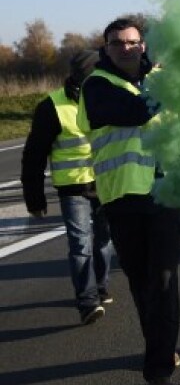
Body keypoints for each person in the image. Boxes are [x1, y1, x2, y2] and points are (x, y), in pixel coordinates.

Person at [78, 17, 180, 385]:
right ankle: (159, 345)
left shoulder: (159, 79)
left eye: (133, 42)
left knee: (165, 280)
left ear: (143, 45)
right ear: (105, 48)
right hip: (123, 198)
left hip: (166, 194)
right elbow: (136, 112)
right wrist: (170, 84)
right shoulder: (97, 86)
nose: (127, 48)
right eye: (118, 42)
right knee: (142, 282)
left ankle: (158, 369)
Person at [21, 49, 114, 325]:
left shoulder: (110, 98)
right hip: (73, 188)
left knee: (105, 240)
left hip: (107, 184)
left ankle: (101, 286)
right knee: (80, 243)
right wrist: (34, 198)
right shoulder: (51, 106)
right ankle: (87, 302)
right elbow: (34, 154)